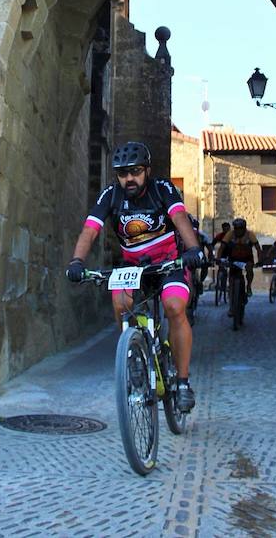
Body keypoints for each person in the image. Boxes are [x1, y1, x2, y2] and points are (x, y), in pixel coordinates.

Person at [66, 141, 205, 413]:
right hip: (134, 266)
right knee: (120, 303)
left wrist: (194, 250)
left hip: (168, 262)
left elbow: (179, 218)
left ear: (147, 170)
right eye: (122, 173)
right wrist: (77, 261)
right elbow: (90, 229)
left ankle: (183, 382)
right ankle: (135, 358)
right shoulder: (110, 195)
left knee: (175, 307)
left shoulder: (162, 189)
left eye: (136, 171)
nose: (129, 178)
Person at [221, 217, 262, 300]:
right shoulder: (230, 234)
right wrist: (219, 259)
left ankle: (249, 286)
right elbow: (222, 247)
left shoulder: (250, 234)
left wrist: (260, 260)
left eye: (240, 228)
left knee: (249, 269)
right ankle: (231, 288)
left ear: (244, 228)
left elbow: (258, 248)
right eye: (236, 228)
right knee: (231, 273)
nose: (238, 231)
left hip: (247, 258)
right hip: (234, 258)